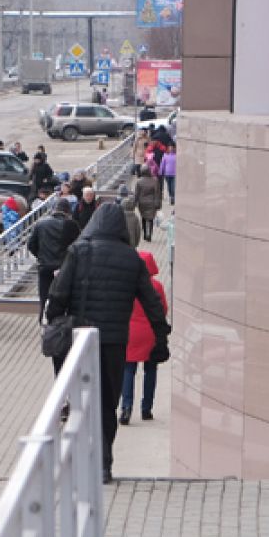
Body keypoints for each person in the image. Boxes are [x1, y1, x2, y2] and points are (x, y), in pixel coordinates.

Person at [46, 204, 170, 482]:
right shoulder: (132, 259)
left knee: (81, 402)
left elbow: (58, 296)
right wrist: (161, 338)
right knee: (107, 403)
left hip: (80, 340)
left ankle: (78, 463)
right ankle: (103, 464)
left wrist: (55, 321)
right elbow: (152, 303)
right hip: (114, 343)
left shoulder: (78, 253)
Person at [121, 250, 169, 425]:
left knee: (128, 370)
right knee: (150, 370)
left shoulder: (126, 284)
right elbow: (163, 309)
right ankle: (146, 409)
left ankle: (126, 408)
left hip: (130, 333)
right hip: (151, 333)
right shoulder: (156, 286)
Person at [30, 195, 81, 324]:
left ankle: (43, 317)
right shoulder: (71, 225)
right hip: (64, 267)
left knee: (44, 294)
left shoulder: (41, 224)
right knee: (63, 294)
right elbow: (78, 246)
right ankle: (61, 320)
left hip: (45, 266)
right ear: (67, 211)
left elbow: (31, 245)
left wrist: (41, 256)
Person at [133, 164, 163, 241]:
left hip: (142, 203)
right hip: (152, 203)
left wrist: (134, 203)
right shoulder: (154, 180)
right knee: (150, 219)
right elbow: (157, 193)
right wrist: (158, 204)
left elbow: (136, 194)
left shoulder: (139, 181)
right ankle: (149, 235)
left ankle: (145, 233)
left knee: (143, 217)